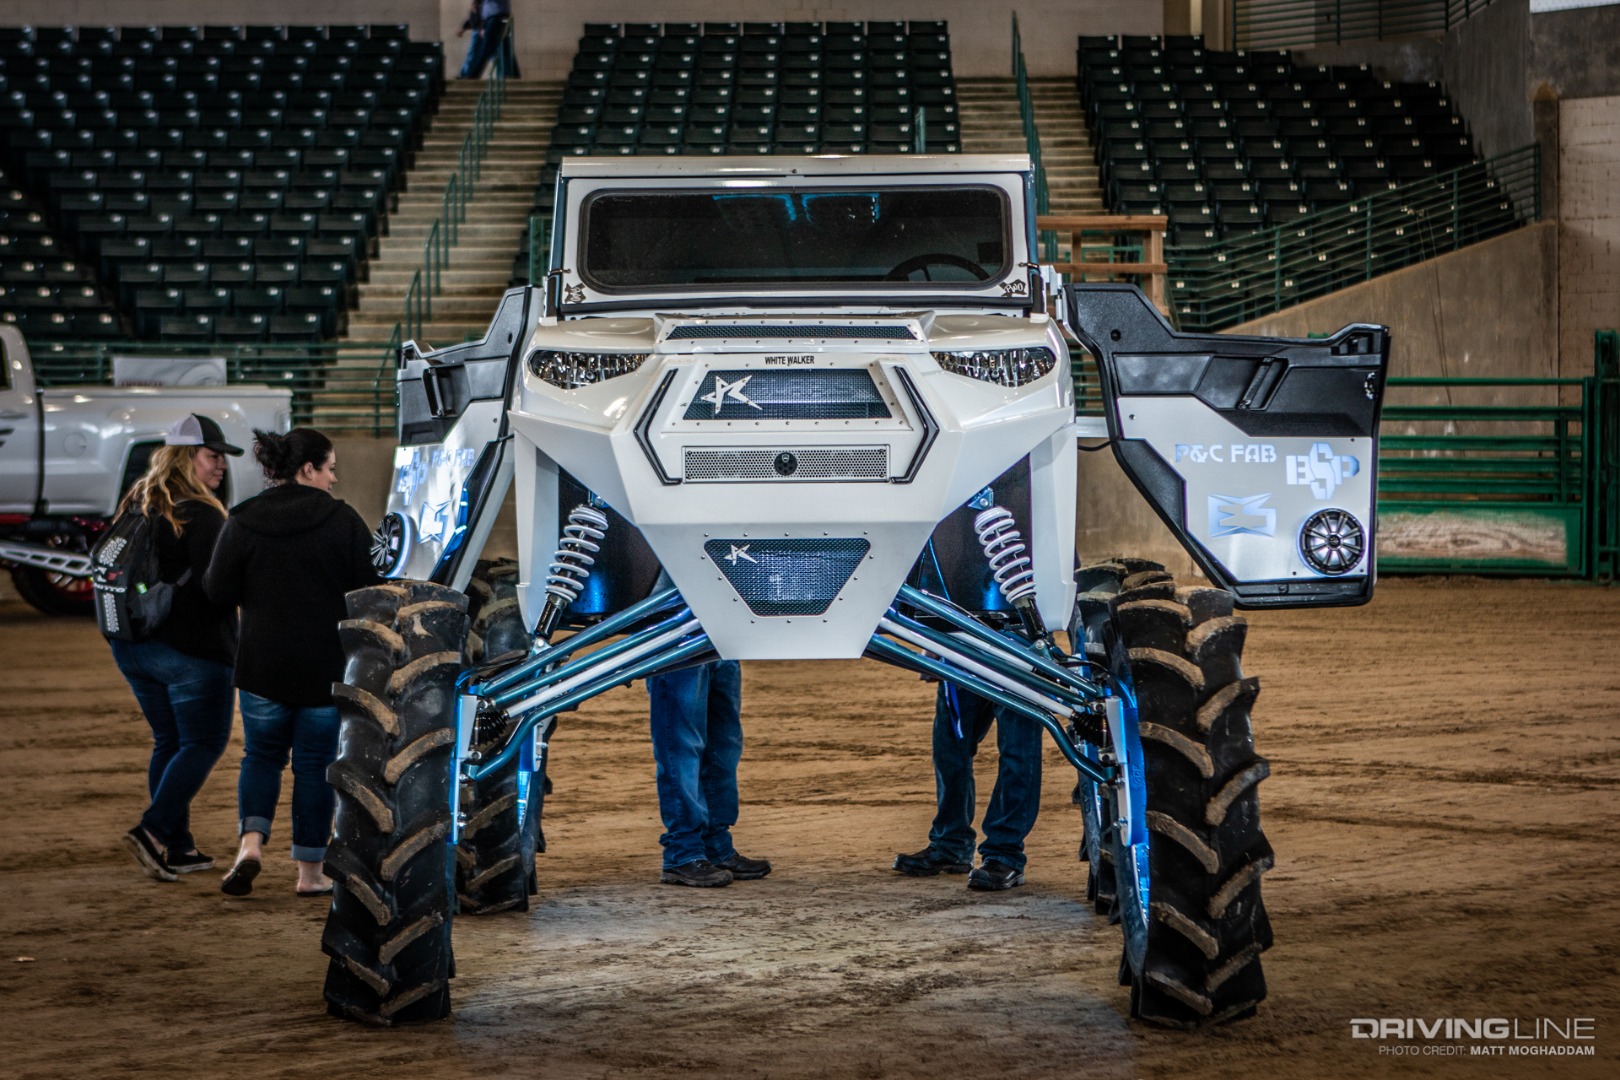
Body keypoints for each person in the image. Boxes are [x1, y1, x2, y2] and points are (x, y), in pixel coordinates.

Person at [204, 428, 381, 897]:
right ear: (308, 470)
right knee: (314, 765)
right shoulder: (342, 520)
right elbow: (368, 589)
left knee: (260, 756)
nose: (334, 477)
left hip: (262, 665)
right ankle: (309, 873)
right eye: (329, 468)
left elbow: (216, 592)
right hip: (323, 669)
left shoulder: (242, 519)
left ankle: (250, 845)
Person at [112, 415, 242, 882]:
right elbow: (217, 588)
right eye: (213, 455)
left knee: (170, 741)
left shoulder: (140, 501)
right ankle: (153, 830)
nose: (221, 466)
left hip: (135, 646)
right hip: (191, 653)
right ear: (188, 457)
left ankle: (178, 847)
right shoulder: (202, 513)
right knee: (203, 742)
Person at [892, 682, 1042, 891]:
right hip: (964, 658)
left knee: (1017, 753)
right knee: (948, 746)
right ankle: (952, 844)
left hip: (1020, 660)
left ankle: (1004, 853)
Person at [645, 660, 771, 887]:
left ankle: (716, 846)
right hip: (677, 641)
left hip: (721, 641)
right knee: (682, 745)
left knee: (723, 744)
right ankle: (683, 851)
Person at [457, 0, 519, 80]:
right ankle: (512, 74)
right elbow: (474, 16)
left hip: (496, 17)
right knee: (501, 49)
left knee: (486, 49)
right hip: (491, 19)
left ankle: (472, 75)